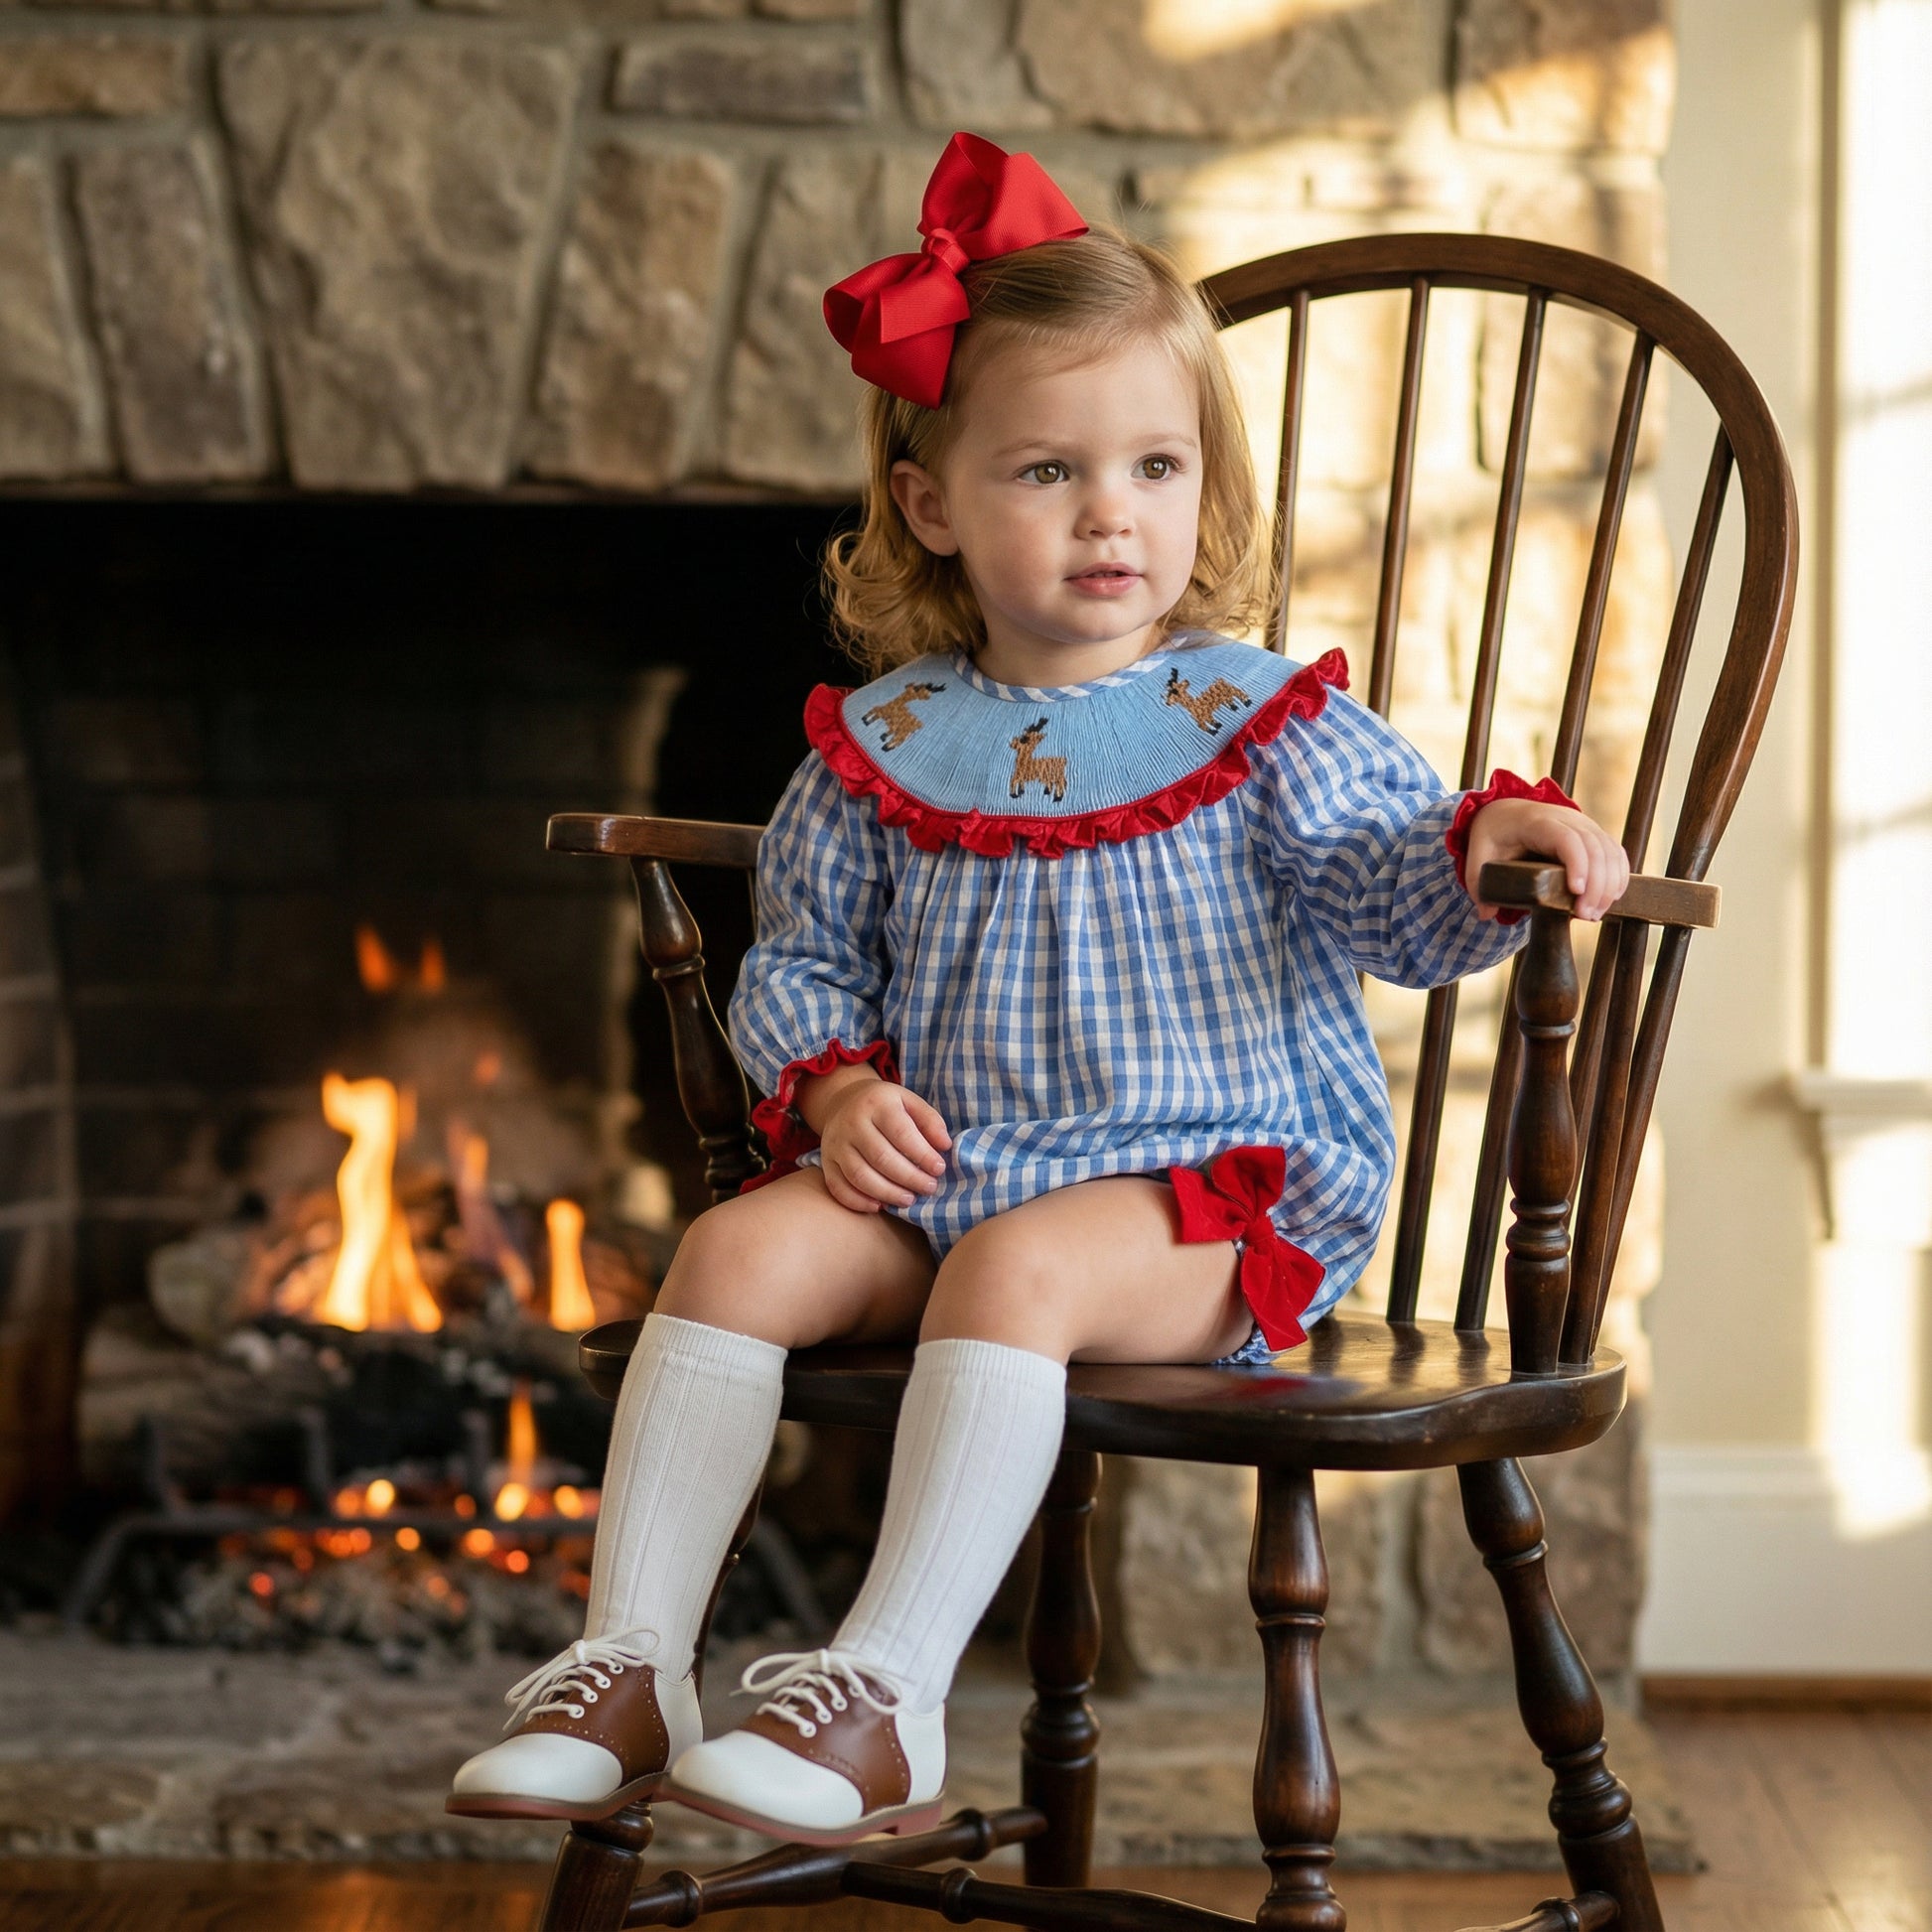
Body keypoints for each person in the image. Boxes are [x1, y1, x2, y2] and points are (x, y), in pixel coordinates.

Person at [446, 132, 1629, 1846]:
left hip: (1202, 1198)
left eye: (1155, 465)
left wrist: (1490, 831)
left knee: (1008, 1266)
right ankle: (631, 1661)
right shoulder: (888, 743)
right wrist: (840, 1091)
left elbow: (1397, 884)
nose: (1109, 513)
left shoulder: (1253, 715)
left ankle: (889, 1696)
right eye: (1045, 471)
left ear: (1202, 492)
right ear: (931, 503)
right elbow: (798, 956)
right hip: (957, 1163)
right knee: (737, 1242)